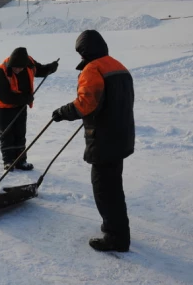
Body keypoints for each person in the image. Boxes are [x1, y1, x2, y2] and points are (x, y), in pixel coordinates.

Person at [51, 30, 135, 252]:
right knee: (113, 186)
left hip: (105, 139)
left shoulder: (93, 69)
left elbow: (85, 104)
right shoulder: (118, 66)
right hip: (121, 135)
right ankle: (116, 227)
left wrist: (62, 112)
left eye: (80, 52)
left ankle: (116, 237)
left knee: (105, 189)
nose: (80, 57)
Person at [0, 47, 58, 171]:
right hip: (3, 107)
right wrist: (25, 99)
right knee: (7, 134)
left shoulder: (29, 63)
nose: (17, 70)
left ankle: (21, 161)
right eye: (14, 67)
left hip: (20, 106)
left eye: (19, 67)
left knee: (20, 133)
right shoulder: (1, 71)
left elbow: (39, 70)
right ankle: (8, 161)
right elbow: (4, 96)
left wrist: (51, 68)